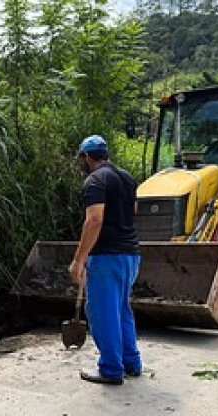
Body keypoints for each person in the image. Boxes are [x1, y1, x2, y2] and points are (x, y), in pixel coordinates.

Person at [68, 135, 142, 386]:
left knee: (101, 313)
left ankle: (111, 369)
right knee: (121, 309)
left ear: (87, 157)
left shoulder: (95, 180)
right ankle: (131, 363)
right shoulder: (127, 178)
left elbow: (94, 220)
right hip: (130, 254)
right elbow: (133, 212)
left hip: (107, 257)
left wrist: (79, 260)